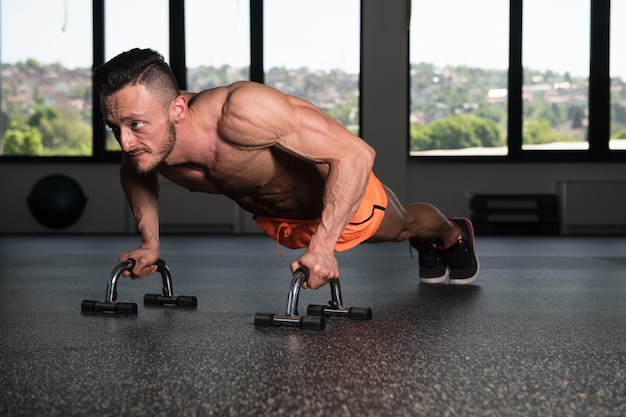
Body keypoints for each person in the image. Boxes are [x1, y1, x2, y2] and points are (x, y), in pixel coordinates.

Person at [94, 48, 479, 290]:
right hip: (281, 221)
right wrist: (151, 244)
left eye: (135, 124)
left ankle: (450, 233)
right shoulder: (147, 146)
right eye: (115, 128)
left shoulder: (242, 111)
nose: (125, 143)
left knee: (404, 227)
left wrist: (324, 247)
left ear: (177, 109)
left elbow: (356, 154)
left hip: (339, 201)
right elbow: (135, 174)